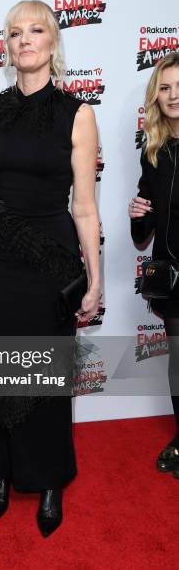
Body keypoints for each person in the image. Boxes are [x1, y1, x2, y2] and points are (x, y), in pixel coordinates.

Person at [0, 0, 100, 536]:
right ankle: (3, 470)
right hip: (4, 257)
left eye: (35, 30)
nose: (24, 39)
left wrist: (94, 279)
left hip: (53, 256)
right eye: (14, 33)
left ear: (53, 42)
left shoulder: (77, 113)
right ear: (6, 47)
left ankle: (51, 477)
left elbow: (84, 206)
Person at [129, 51, 179, 479]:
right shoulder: (155, 152)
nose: (173, 95)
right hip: (174, 279)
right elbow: (142, 235)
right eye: (165, 88)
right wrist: (137, 212)